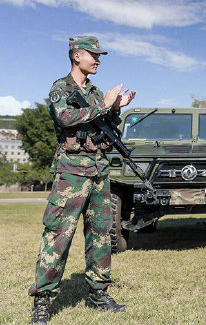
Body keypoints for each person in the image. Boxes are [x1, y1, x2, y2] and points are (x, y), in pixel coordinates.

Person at [29, 36, 135, 324]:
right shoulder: (60, 88)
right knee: (58, 234)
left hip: (99, 169)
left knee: (100, 234)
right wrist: (105, 105)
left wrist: (116, 108)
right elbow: (65, 117)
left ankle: (98, 292)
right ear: (77, 56)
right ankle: (42, 299)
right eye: (94, 54)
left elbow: (106, 126)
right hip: (72, 170)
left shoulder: (96, 92)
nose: (98, 60)